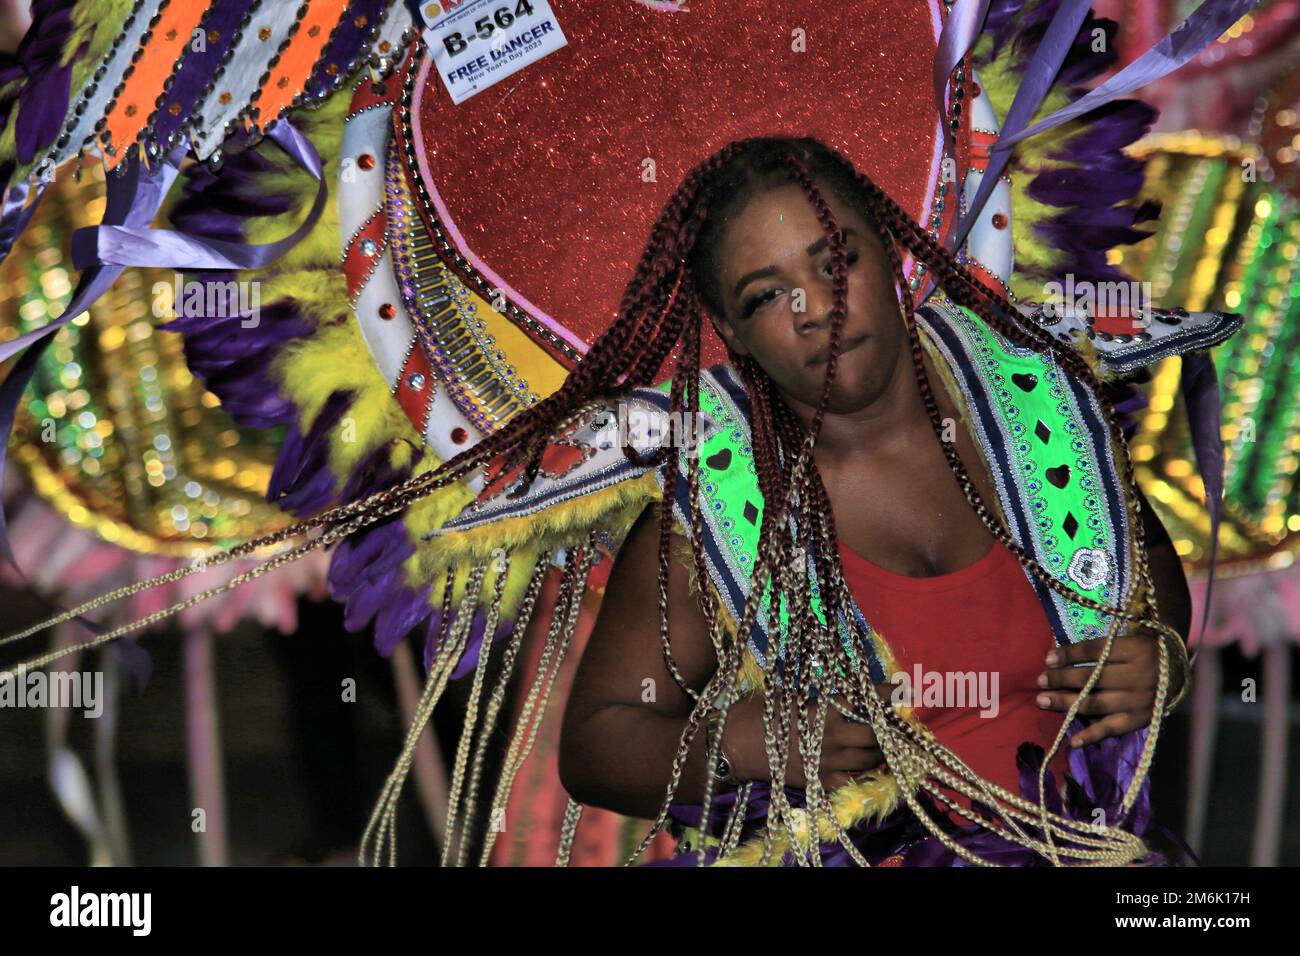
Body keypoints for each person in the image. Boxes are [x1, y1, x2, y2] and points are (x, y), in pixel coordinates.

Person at [545, 135, 1203, 866]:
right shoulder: (711, 512)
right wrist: (747, 741)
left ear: (891, 253)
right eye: (765, 295)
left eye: (836, 262)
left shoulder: (1031, 393)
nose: (814, 308)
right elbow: (596, 745)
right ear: (729, 331)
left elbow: (1142, 568)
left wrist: (1159, 658)